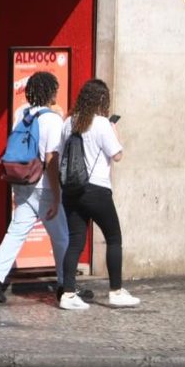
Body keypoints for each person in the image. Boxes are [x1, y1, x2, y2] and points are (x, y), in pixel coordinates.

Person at [0, 71, 74, 303]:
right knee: (62, 237)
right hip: (43, 186)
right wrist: (56, 196)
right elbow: (51, 159)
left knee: (16, 232)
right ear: (51, 93)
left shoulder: (22, 116)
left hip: (22, 182)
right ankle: (66, 285)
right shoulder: (52, 119)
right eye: (56, 89)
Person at [58, 80, 139, 309]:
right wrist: (115, 131)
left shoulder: (68, 122)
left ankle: (68, 294)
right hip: (96, 190)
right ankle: (116, 291)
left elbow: (60, 154)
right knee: (114, 238)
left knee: (75, 242)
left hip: (71, 191)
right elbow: (118, 155)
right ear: (102, 101)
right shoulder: (102, 124)